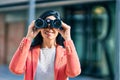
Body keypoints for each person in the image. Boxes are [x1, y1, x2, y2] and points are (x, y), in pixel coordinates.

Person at [9, 10, 81, 80]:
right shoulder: (29, 53)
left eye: (54, 24)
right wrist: (29, 38)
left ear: (59, 27)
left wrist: (68, 39)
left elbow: (74, 72)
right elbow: (15, 69)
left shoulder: (66, 53)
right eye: (45, 25)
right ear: (40, 27)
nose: (49, 28)